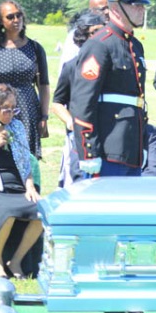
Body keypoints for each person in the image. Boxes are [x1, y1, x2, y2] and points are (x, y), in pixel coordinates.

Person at [69, 0, 151, 177]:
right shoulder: (99, 44)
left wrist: (142, 144)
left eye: (142, 5)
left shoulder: (135, 45)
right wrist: (88, 151)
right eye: (135, 5)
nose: (141, 10)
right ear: (115, 8)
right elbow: (82, 102)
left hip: (130, 147)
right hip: (107, 148)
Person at [51, 11, 106, 186]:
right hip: (81, 138)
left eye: (103, 31)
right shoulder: (71, 66)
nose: (100, 36)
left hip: (107, 135)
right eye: (95, 32)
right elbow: (57, 102)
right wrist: (71, 122)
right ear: (83, 37)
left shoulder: (111, 65)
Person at [0, 84, 42, 279]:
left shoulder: (16, 126)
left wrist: (30, 185)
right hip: (0, 187)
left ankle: (16, 260)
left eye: (13, 108)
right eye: (6, 109)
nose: (11, 114)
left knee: (43, 211)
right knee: (8, 211)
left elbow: (25, 160)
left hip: (17, 184)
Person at [0, 0, 50, 159]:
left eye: (18, 15)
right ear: (1, 21)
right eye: (10, 16)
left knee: (27, 157)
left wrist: (44, 116)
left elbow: (44, 85)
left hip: (28, 110)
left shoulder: (35, 48)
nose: (16, 20)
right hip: (1, 110)